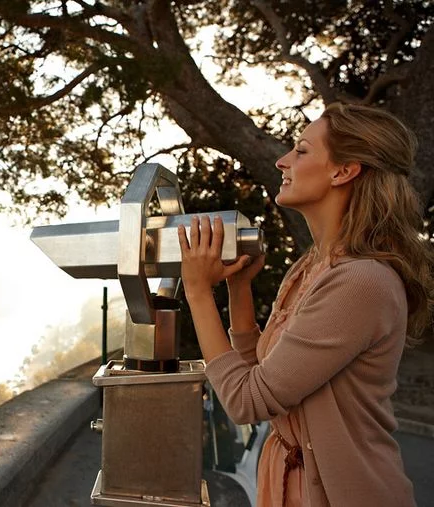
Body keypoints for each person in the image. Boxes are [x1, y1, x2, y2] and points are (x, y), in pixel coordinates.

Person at [177, 102, 433, 507]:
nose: (282, 161)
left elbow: (247, 401)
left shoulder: (360, 282)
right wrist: (239, 289)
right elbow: (263, 376)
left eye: (300, 151)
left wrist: (196, 291)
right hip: (285, 485)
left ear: (343, 171)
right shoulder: (310, 266)